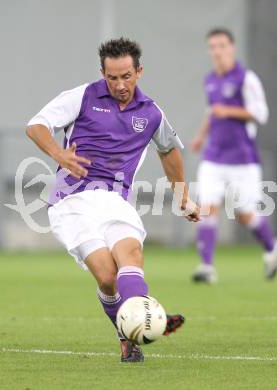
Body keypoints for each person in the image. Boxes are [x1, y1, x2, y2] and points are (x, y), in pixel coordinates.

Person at [26, 37, 200, 362]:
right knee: (107, 276)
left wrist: (183, 197)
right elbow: (35, 125)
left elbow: (170, 149)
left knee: (130, 255)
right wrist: (58, 154)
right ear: (102, 73)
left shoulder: (150, 113)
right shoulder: (82, 96)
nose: (120, 84)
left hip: (116, 200)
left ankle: (142, 325)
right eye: (112, 77)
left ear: (139, 71)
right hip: (71, 201)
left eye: (126, 76)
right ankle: (129, 330)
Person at [190, 28, 276, 283]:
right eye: (212, 46)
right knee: (207, 207)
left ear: (232, 47)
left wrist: (229, 110)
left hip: (243, 159)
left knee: (245, 213)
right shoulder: (210, 79)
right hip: (213, 156)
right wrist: (201, 136)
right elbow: (211, 112)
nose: (217, 51)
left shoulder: (245, 78)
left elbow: (261, 113)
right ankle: (207, 267)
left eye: (222, 45)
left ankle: (272, 250)